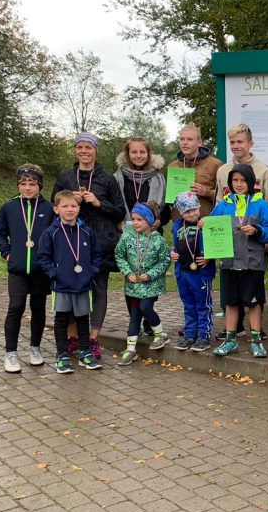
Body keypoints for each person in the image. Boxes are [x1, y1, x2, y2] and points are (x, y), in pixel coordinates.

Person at [51, 132, 126, 361]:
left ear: (95, 150)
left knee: (99, 290)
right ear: (76, 150)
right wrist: (69, 199)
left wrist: (98, 202)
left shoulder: (108, 179)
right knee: (72, 289)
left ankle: (93, 339)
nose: (84, 151)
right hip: (70, 242)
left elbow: (120, 211)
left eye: (88, 147)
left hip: (100, 242)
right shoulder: (65, 176)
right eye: (80, 147)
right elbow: (54, 204)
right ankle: (74, 338)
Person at [208, 164, 268, 358]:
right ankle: (230, 341)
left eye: (243, 180)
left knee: (254, 303)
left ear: (251, 182)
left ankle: (256, 341)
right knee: (230, 302)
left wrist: (256, 230)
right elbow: (212, 226)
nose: (239, 184)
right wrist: (205, 223)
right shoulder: (224, 204)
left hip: (252, 263)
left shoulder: (260, 204)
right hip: (229, 262)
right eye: (235, 180)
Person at [0, 165, 55, 372]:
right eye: (23, 183)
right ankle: (10, 353)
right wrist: (6, 253)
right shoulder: (8, 207)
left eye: (32, 184)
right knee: (16, 307)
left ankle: (34, 348)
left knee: (38, 308)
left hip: (40, 269)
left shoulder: (49, 208)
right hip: (17, 269)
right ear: (18, 185)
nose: (27, 188)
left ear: (40, 185)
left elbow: (56, 234)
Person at [36, 191, 103, 373]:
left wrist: (91, 271)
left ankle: (85, 352)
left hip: (83, 284)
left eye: (73, 206)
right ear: (56, 209)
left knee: (83, 319)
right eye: (65, 206)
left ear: (79, 208)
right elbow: (43, 256)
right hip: (61, 284)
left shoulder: (86, 231)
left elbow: (97, 254)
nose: (70, 209)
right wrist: (54, 273)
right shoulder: (51, 232)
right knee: (61, 319)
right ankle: (62, 355)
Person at [114, 203, 171, 365]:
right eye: (133, 219)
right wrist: (127, 272)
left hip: (151, 285)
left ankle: (160, 334)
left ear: (150, 220)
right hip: (133, 285)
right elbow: (119, 255)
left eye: (140, 219)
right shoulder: (127, 236)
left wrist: (151, 274)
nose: (135, 223)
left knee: (145, 307)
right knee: (135, 315)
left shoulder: (159, 240)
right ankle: (131, 349)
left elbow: (165, 261)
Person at [170, 192, 215, 351]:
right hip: (183, 272)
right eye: (187, 211)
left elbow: (217, 243)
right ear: (181, 212)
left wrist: (209, 257)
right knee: (188, 305)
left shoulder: (206, 223)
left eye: (194, 209)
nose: (191, 214)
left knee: (203, 305)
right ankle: (190, 335)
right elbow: (175, 245)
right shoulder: (177, 225)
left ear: (199, 207)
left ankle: (203, 336)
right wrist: (172, 253)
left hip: (201, 274)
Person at [170, 124, 223, 218]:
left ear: (199, 143)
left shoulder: (215, 164)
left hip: (206, 221)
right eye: (182, 139)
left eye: (190, 139)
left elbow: (226, 195)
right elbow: (170, 199)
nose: (185, 143)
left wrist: (206, 192)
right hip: (180, 221)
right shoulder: (173, 166)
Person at [214, 123, 268, 202]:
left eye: (240, 142)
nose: (235, 146)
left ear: (250, 144)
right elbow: (218, 203)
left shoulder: (265, 171)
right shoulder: (222, 171)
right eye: (232, 142)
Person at [114, 137, 167, 226]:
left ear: (148, 154)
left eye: (142, 152)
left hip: (151, 231)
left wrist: (159, 221)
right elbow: (113, 207)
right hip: (124, 231)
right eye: (134, 152)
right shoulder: (117, 178)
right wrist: (118, 223)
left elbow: (166, 210)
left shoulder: (158, 178)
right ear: (127, 154)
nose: (138, 156)